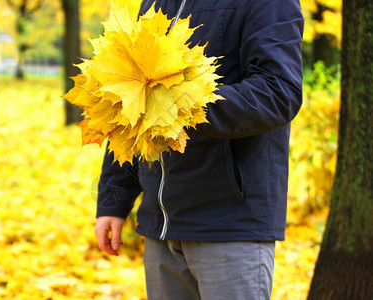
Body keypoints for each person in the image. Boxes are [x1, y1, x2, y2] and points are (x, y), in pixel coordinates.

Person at [94, 0, 304, 299]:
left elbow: (278, 91)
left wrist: (182, 104)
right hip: (160, 226)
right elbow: (128, 106)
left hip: (230, 222)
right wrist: (113, 201)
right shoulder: (154, 3)